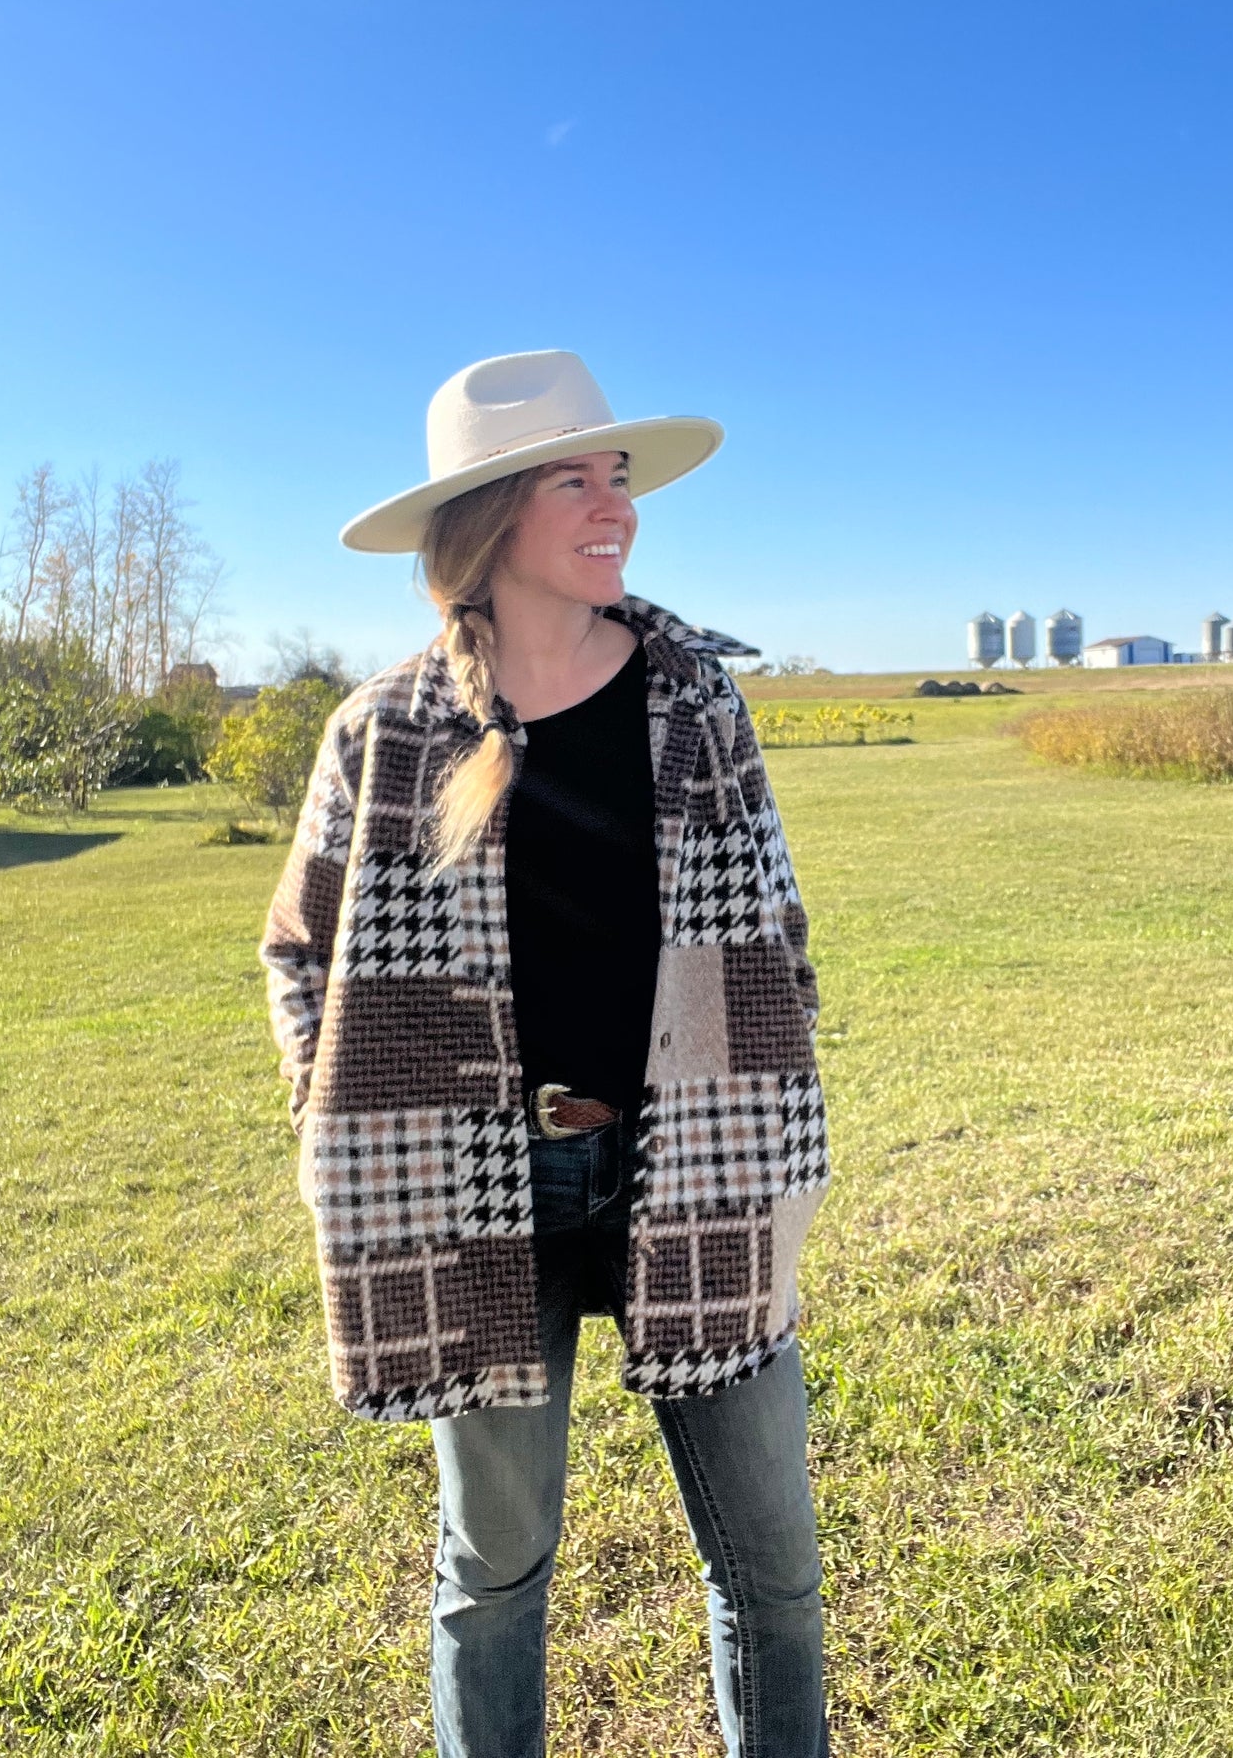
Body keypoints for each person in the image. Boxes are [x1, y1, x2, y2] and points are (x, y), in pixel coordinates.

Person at [259, 350, 832, 1757]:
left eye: (617, 475)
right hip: (469, 1198)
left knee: (773, 1576)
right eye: (573, 479)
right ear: (488, 517)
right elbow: (298, 955)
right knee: (494, 1575)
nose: (614, 505)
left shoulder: (697, 707)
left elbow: (774, 931)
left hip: (694, 1173)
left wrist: (773, 1093)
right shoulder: (383, 734)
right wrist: (342, 1123)